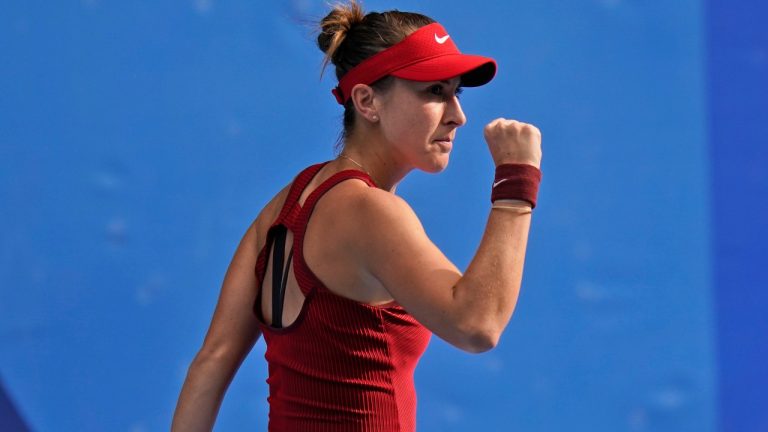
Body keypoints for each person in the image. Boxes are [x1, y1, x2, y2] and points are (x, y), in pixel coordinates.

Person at [171, 1, 543, 431]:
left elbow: (212, 360)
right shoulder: (371, 211)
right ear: (367, 101)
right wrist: (516, 184)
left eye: (456, 92)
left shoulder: (289, 200)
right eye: (434, 92)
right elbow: (477, 324)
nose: (458, 115)